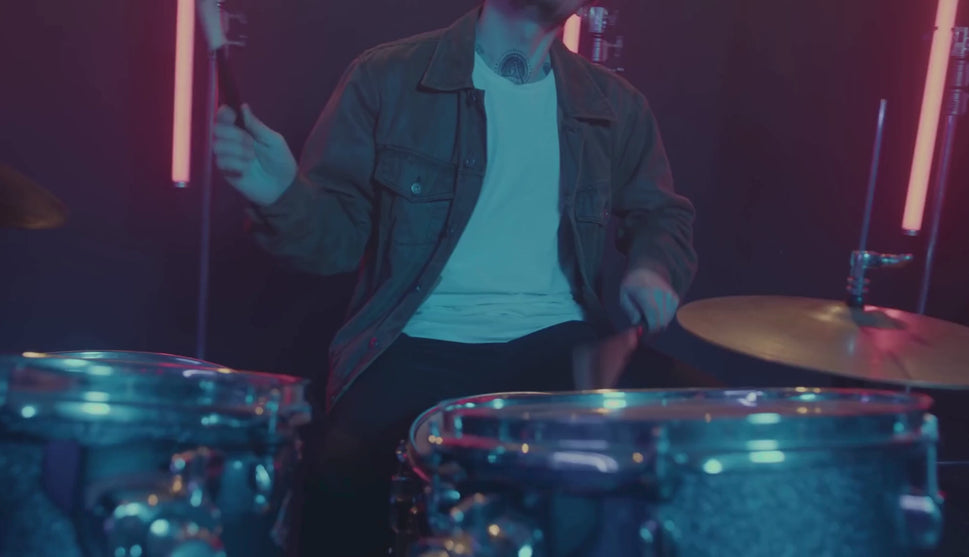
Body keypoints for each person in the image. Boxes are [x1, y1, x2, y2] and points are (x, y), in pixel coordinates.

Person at [212, 1, 696, 554]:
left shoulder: (614, 104)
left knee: (700, 431)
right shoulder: (387, 77)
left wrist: (652, 267)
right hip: (418, 337)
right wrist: (279, 192)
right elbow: (334, 242)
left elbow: (663, 215)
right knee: (340, 477)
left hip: (561, 342)